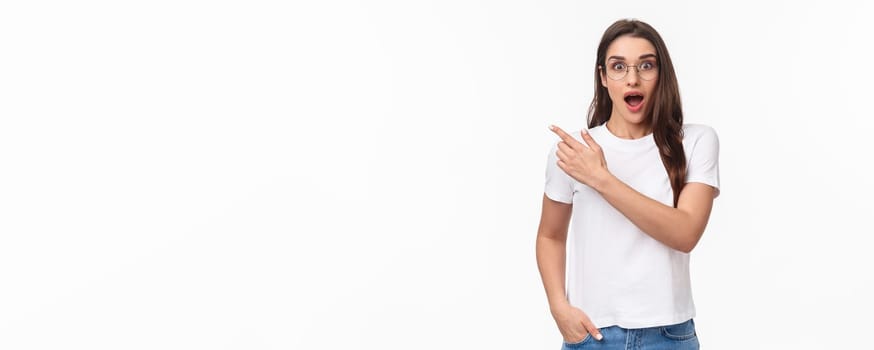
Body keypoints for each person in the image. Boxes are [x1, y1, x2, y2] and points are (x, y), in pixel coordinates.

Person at [536, 19, 720, 349]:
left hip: (669, 335)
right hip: (592, 336)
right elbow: (550, 235)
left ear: (661, 74)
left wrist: (602, 180)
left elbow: (685, 233)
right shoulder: (573, 153)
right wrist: (558, 308)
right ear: (603, 77)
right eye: (618, 66)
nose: (632, 78)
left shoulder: (695, 142)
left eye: (645, 65)